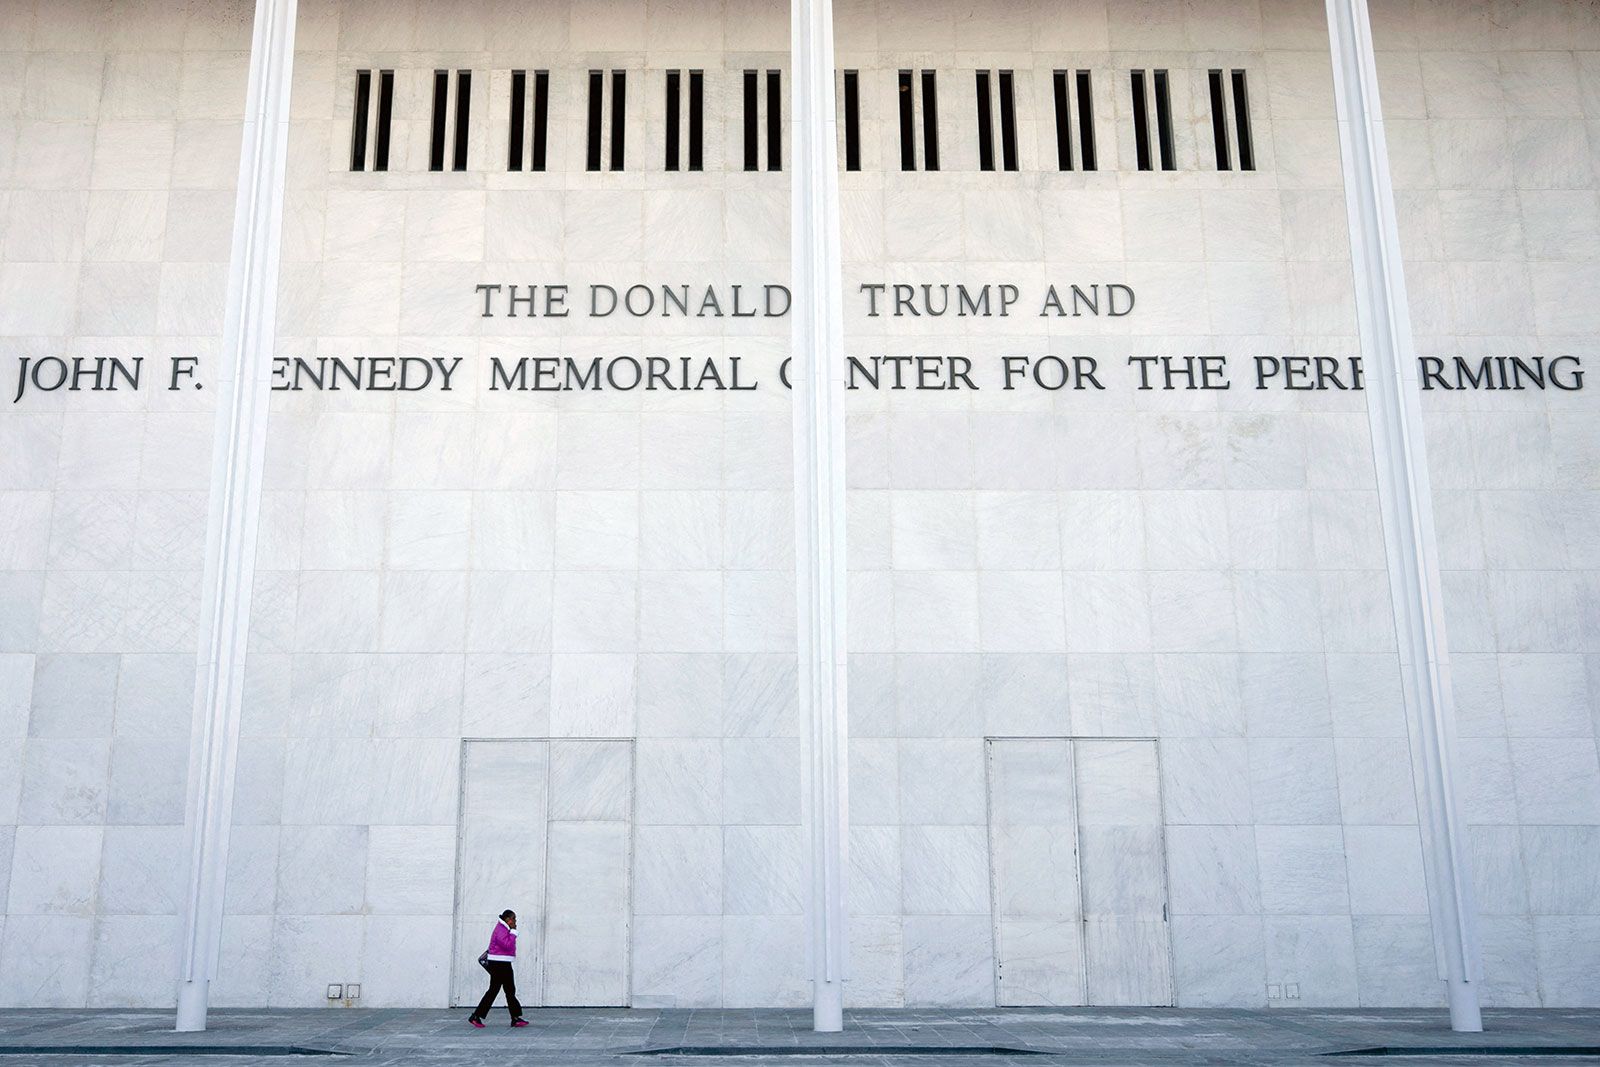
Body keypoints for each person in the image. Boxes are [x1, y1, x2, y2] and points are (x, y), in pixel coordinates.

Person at [469, 910, 529, 1028]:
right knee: (497, 990)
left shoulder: (503, 928)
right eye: (514, 919)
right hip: (499, 963)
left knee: (509, 990)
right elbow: (507, 945)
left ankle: (515, 1018)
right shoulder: (501, 929)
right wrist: (513, 932)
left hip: (503, 963)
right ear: (508, 919)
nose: (515, 922)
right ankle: (476, 1016)